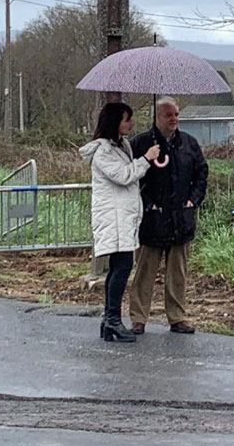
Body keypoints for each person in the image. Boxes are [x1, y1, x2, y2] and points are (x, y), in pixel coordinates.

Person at [78, 102, 161, 342]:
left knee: (119, 266)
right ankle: (112, 319)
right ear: (115, 121)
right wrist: (146, 159)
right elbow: (124, 176)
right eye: (127, 119)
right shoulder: (103, 151)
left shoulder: (121, 145)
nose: (131, 123)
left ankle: (109, 320)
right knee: (122, 266)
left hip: (122, 215)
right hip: (113, 217)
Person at [128, 97, 209, 335]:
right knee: (145, 272)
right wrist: (147, 204)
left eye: (176, 114)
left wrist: (193, 200)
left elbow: (201, 173)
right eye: (168, 115)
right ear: (157, 117)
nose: (173, 119)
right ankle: (138, 318)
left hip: (180, 219)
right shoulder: (141, 143)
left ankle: (177, 317)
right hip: (151, 221)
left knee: (178, 273)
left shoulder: (189, 144)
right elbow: (131, 179)